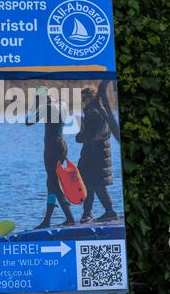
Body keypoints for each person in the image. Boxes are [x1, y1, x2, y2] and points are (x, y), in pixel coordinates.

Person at [26, 86, 74, 228]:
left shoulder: (47, 108)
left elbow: (28, 122)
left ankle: (69, 217)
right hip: (62, 145)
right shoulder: (62, 104)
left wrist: (35, 107)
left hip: (52, 148)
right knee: (51, 183)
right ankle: (47, 220)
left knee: (53, 183)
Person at [76, 84, 117, 223]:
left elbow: (85, 136)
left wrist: (80, 136)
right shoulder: (100, 110)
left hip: (96, 154)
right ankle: (87, 214)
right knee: (90, 184)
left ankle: (108, 212)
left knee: (96, 184)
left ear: (91, 98)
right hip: (96, 152)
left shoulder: (93, 113)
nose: (82, 101)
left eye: (84, 98)